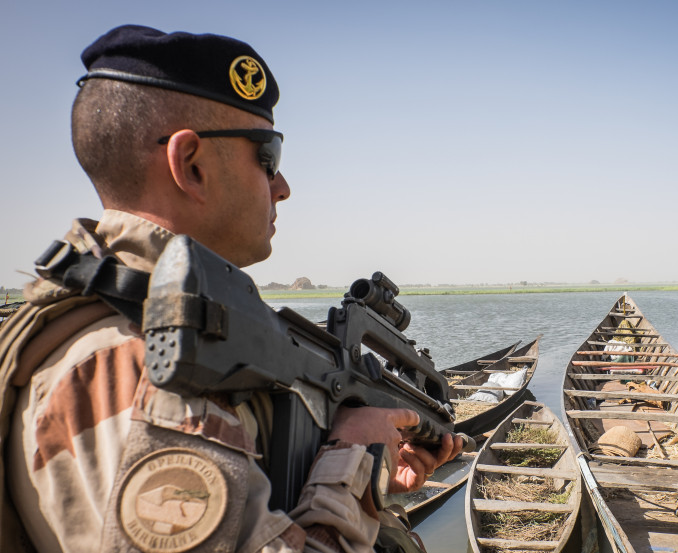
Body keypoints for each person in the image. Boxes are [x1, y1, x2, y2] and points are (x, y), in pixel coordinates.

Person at [0, 25, 462, 553]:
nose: (283, 188)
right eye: (268, 158)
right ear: (190, 165)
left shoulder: (191, 333)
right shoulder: (139, 367)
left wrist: (367, 477)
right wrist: (351, 460)